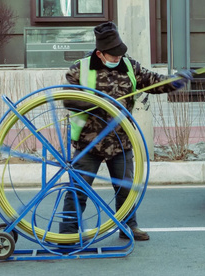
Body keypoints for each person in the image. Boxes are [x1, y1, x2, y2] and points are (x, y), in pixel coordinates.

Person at [59, 21, 194, 241]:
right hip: (89, 142)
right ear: (100, 53)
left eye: (119, 54)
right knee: (78, 189)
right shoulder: (80, 68)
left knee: (125, 188)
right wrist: (100, 102)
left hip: (121, 141)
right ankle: (67, 233)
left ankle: (128, 227)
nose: (117, 58)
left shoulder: (130, 66)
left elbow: (154, 82)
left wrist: (176, 81)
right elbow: (68, 99)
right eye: (112, 55)